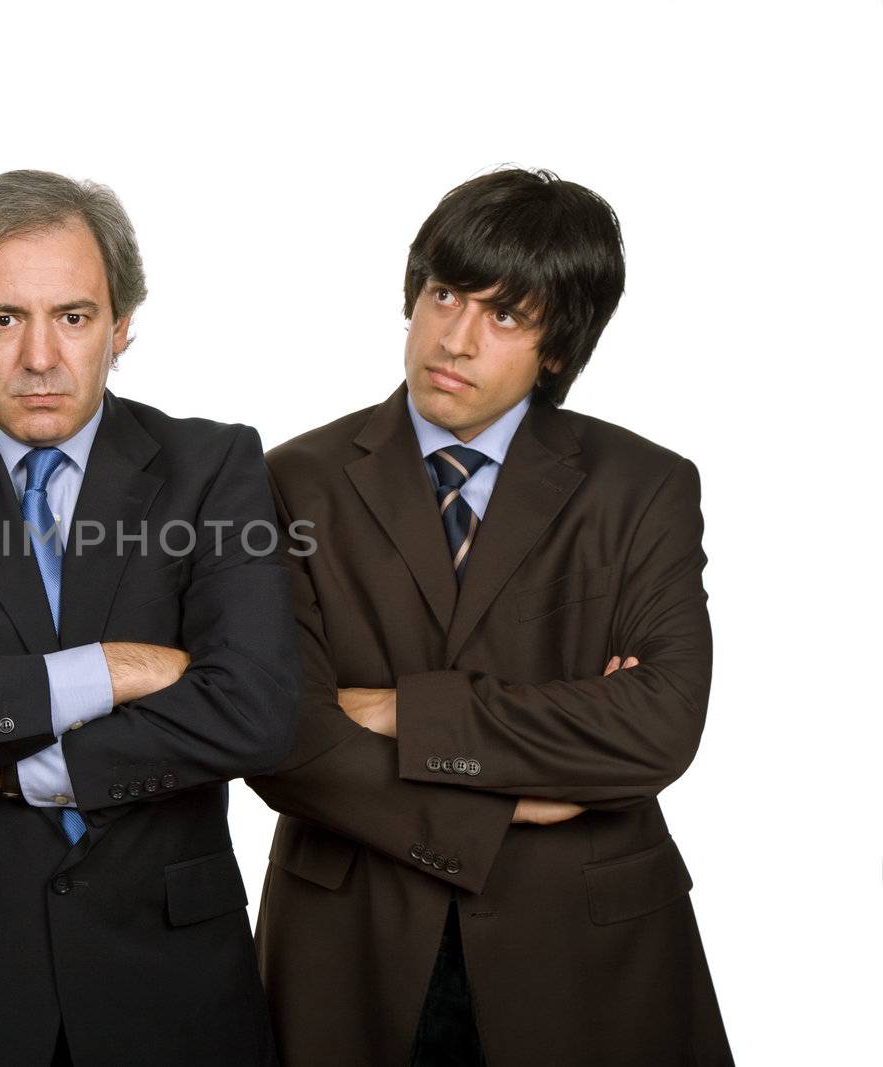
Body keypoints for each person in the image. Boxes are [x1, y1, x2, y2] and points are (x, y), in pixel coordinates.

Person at [248, 168, 732, 1065]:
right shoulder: (290, 481)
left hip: (587, 949)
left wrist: (403, 710)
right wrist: (515, 797)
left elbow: (661, 724)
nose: (454, 338)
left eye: (504, 315)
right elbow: (284, 737)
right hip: (350, 943)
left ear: (558, 348)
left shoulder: (644, 487)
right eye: (442, 295)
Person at [0, 169, 299, 1065]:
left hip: (174, 976)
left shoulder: (212, 465)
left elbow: (259, 712)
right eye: (4, 319)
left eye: (74, 317)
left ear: (122, 324)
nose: (40, 357)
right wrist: (117, 669)